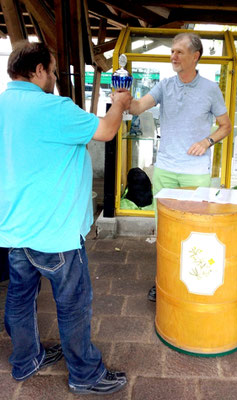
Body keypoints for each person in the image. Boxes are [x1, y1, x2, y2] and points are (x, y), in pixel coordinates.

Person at [0, 40, 131, 395]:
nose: (54, 77)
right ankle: (85, 374)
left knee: (20, 297)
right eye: (53, 71)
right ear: (39, 70)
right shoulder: (53, 108)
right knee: (73, 303)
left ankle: (26, 360)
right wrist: (119, 103)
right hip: (54, 231)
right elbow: (105, 131)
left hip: (14, 229)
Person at [129, 33, 231, 302]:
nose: (173, 56)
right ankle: (162, 281)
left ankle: (191, 283)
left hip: (195, 172)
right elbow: (138, 107)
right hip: (165, 169)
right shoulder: (164, 86)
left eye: (179, 52)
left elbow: (225, 126)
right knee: (165, 230)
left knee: (192, 230)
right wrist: (124, 96)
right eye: (172, 51)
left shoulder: (211, 89)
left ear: (195, 56)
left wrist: (207, 141)